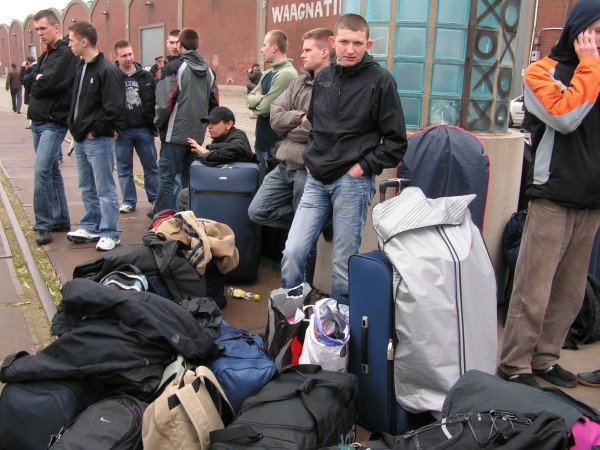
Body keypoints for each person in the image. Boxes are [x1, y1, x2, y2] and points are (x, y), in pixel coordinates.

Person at [497, 0, 600, 389]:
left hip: (591, 199)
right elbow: (564, 116)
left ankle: (545, 358)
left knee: (570, 293)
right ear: (578, 30)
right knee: (533, 289)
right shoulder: (542, 71)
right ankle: (515, 364)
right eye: (596, 32)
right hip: (554, 194)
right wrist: (590, 67)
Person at [280, 14, 407, 304]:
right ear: (332, 42)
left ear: (368, 44)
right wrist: (311, 158)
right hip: (316, 179)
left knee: (343, 266)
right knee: (293, 252)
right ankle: (289, 321)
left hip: (352, 183)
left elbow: (396, 142)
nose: (350, 49)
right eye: (344, 42)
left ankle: (339, 327)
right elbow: (315, 124)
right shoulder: (324, 77)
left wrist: (362, 167)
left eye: (358, 43)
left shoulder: (381, 81)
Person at [248, 28, 334, 284]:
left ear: (324, 51)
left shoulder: (333, 84)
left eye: (307, 50)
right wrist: (299, 117)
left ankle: (302, 292)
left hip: (308, 167)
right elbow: (275, 116)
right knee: (258, 210)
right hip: (285, 161)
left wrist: (293, 123)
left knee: (304, 240)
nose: (301, 55)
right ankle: (320, 220)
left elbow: (321, 128)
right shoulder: (299, 81)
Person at [66, 21, 126, 251]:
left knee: (104, 188)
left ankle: (110, 231)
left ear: (84, 42)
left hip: (97, 140)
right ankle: (90, 225)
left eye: (71, 40)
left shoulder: (107, 70)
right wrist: (75, 128)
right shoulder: (81, 67)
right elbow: (77, 100)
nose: (69, 45)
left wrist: (95, 130)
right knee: (86, 185)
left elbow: (114, 107)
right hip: (81, 138)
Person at [22, 9, 79, 246]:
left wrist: (38, 80)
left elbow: (51, 83)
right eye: (37, 29)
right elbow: (28, 78)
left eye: (43, 28)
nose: (40, 33)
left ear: (56, 27)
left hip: (53, 122)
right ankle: (60, 218)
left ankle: (43, 224)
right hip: (38, 119)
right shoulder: (47, 53)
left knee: (41, 170)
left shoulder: (65, 52)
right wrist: (36, 78)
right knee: (51, 170)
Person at [152, 27, 219, 215]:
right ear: (197, 45)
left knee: (166, 178)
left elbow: (164, 103)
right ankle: (190, 218)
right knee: (190, 180)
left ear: (180, 44)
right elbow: (214, 105)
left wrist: (158, 124)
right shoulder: (210, 72)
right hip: (196, 136)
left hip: (174, 134)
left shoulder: (174, 67)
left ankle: (162, 219)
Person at [113, 40, 159, 215]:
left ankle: (155, 199)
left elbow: (154, 101)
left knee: (151, 166)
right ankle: (128, 200)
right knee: (124, 169)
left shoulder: (145, 76)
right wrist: (112, 126)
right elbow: (106, 103)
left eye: (130, 54)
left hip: (143, 128)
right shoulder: (112, 77)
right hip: (122, 131)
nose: (128, 58)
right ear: (117, 57)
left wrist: (154, 125)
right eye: (124, 55)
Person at [178, 106, 254, 210]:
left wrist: (206, 152)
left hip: (233, 190)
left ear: (229, 124)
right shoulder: (219, 138)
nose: (209, 126)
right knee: (186, 193)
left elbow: (236, 149)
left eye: (214, 122)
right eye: (208, 123)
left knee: (185, 195)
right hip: (223, 185)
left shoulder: (238, 138)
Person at [246, 30, 297, 175]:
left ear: (274, 47)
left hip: (275, 147)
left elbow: (265, 109)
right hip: (262, 143)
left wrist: (258, 103)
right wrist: (260, 99)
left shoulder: (286, 74)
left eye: (264, 45)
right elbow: (248, 99)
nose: (261, 50)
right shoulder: (268, 73)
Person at [20, 56, 36, 129]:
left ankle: (32, 123)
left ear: (28, 62)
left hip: (31, 91)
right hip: (37, 90)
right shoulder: (39, 66)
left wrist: (23, 67)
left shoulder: (31, 68)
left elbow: (22, 78)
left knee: (31, 107)